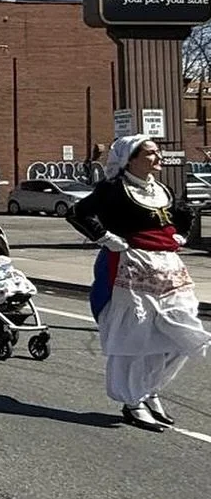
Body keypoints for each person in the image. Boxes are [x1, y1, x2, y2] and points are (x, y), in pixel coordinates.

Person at [67, 134, 210, 429]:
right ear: (130, 159)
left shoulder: (161, 188)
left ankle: (148, 389)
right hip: (130, 267)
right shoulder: (113, 189)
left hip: (169, 267)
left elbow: (183, 212)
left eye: (158, 152)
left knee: (180, 332)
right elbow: (79, 212)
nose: (158, 157)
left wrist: (181, 234)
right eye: (150, 153)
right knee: (136, 335)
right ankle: (132, 401)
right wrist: (106, 238)